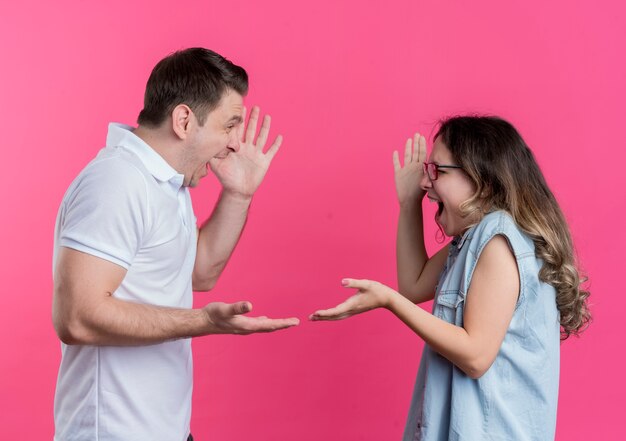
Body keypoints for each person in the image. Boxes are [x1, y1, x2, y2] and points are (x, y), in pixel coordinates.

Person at [52, 48, 299, 441]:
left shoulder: (168, 182)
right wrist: (203, 322)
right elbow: (76, 318)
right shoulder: (117, 182)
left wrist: (239, 194)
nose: (235, 143)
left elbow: (199, 273)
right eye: (229, 125)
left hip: (166, 430)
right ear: (184, 120)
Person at [310, 116, 590, 440]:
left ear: (482, 179)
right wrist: (408, 204)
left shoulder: (498, 239)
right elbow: (413, 285)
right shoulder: (474, 239)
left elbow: (476, 356)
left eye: (438, 172)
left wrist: (387, 301)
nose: (425, 182)